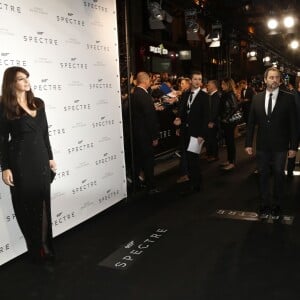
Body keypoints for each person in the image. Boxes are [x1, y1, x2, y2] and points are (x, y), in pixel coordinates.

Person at [0, 66, 57, 263]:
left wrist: (50, 157)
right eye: (21, 79)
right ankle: (36, 248)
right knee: (27, 208)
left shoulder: (38, 103)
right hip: (21, 162)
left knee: (43, 204)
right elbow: (2, 139)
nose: (26, 81)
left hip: (40, 158)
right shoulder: (5, 106)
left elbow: (44, 133)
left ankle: (45, 246)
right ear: (11, 83)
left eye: (27, 78)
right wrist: (5, 167)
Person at [245, 67, 298, 219]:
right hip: (262, 145)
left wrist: (293, 146)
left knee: (278, 174)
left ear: (280, 80)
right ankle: (264, 203)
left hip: (281, 146)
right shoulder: (257, 98)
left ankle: (277, 204)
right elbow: (251, 123)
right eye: (271, 77)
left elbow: (294, 125)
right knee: (262, 175)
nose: (274, 80)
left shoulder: (288, 98)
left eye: (276, 77)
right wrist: (248, 143)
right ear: (265, 80)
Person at [175, 71, 208, 194]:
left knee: (194, 159)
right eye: (195, 79)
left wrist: (202, 135)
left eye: (200, 79)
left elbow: (206, 117)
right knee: (187, 159)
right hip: (185, 131)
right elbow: (182, 110)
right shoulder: (185, 94)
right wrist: (179, 121)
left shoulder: (205, 97)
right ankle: (191, 182)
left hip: (197, 134)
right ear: (191, 80)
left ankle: (197, 184)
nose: (198, 81)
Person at [131, 72, 160, 194]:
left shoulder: (134, 94)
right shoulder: (144, 95)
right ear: (146, 81)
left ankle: (136, 184)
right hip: (145, 135)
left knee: (137, 161)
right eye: (149, 80)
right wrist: (154, 136)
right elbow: (150, 118)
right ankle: (151, 186)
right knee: (148, 162)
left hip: (136, 134)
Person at [219, 78, 239, 171]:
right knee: (228, 141)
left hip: (229, 122)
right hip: (226, 121)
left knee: (230, 142)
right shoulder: (225, 93)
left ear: (228, 85)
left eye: (223, 84)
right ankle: (229, 160)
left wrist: (226, 118)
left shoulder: (230, 94)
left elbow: (235, 107)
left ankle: (232, 162)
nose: (222, 85)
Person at [205, 80, 220, 162]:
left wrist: (212, 121)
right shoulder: (211, 95)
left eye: (209, 85)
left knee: (213, 139)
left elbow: (215, 110)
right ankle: (209, 154)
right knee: (209, 138)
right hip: (209, 121)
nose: (207, 86)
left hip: (213, 122)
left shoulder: (216, 96)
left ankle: (214, 155)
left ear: (214, 86)